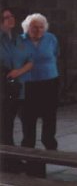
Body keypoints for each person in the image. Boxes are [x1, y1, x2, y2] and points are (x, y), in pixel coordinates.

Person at [20, 13, 60, 150]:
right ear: (27, 27)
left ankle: (50, 144)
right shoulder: (19, 41)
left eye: (41, 27)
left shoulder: (51, 38)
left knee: (49, 116)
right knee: (28, 117)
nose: (38, 30)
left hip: (49, 83)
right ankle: (28, 146)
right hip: (28, 84)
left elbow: (55, 54)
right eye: (34, 27)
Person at [0, 8, 33, 151]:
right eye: (6, 17)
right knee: (6, 126)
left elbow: (30, 61)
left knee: (28, 124)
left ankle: (29, 157)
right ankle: (10, 158)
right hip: (5, 88)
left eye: (12, 16)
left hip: (22, 85)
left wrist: (18, 72)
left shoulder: (19, 38)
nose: (11, 19)